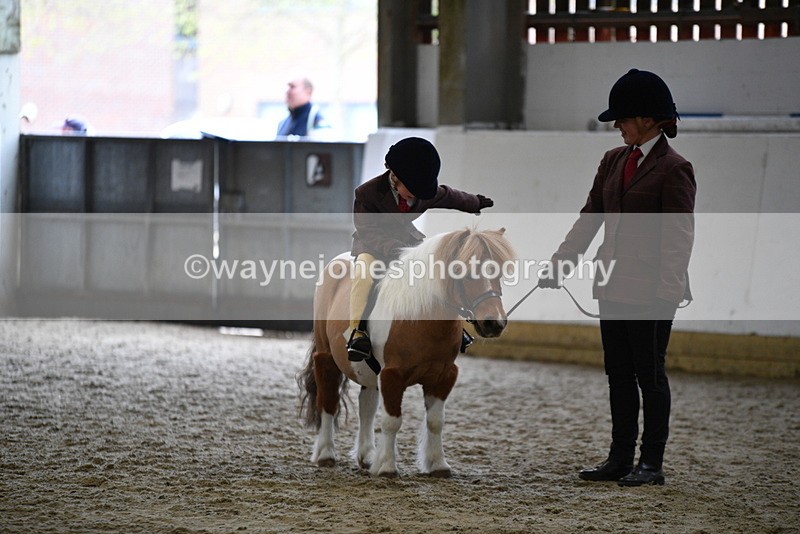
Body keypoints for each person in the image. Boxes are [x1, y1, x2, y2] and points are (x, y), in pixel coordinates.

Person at [538, 69, 695, 487]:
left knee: (651, 376)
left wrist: (667, 291)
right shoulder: (613, 160)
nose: (616, 125)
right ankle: (620, 458)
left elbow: (679, 236)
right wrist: (562, 261)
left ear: (647, 119)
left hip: (651, 292)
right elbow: (592, 216)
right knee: (618, 375)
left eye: (622, 118)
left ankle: (651, 464)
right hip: (612, 284)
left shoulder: (674, 168)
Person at [347, 137, 494, 362]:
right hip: (372, 244)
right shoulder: (367, 193)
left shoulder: (422, 190)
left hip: (407, 240)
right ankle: (357, 331)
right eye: (411, 191)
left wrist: (474, 203)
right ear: (394, 176)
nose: (415, 197)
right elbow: (368, 231)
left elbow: (450, 196)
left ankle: (453, 327)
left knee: (438, 272)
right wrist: (395, 250)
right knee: (364, 275)